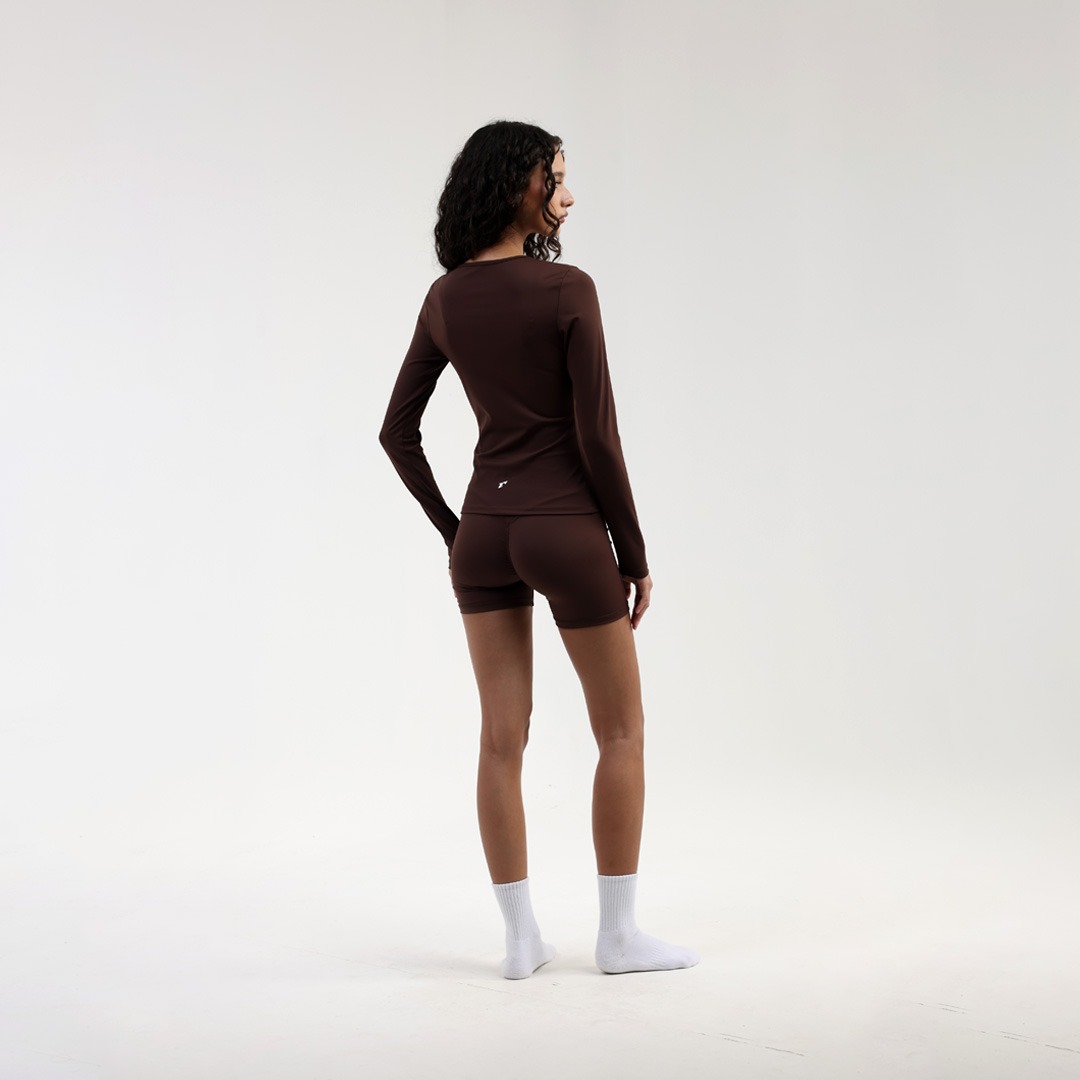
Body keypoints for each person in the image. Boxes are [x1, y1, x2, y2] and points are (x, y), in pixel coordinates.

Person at [378, 121, 699, 979]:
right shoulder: (568, 289)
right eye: (556, 178)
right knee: (621, 730)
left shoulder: (445, 298)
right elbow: (597, 438)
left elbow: (396, 433)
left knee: (500, 739)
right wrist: (632, 552)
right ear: (521, 185)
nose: (567, 194)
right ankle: (618, 938)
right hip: (566, 529)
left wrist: (458, 531)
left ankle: (520, 942)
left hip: (486, 532)